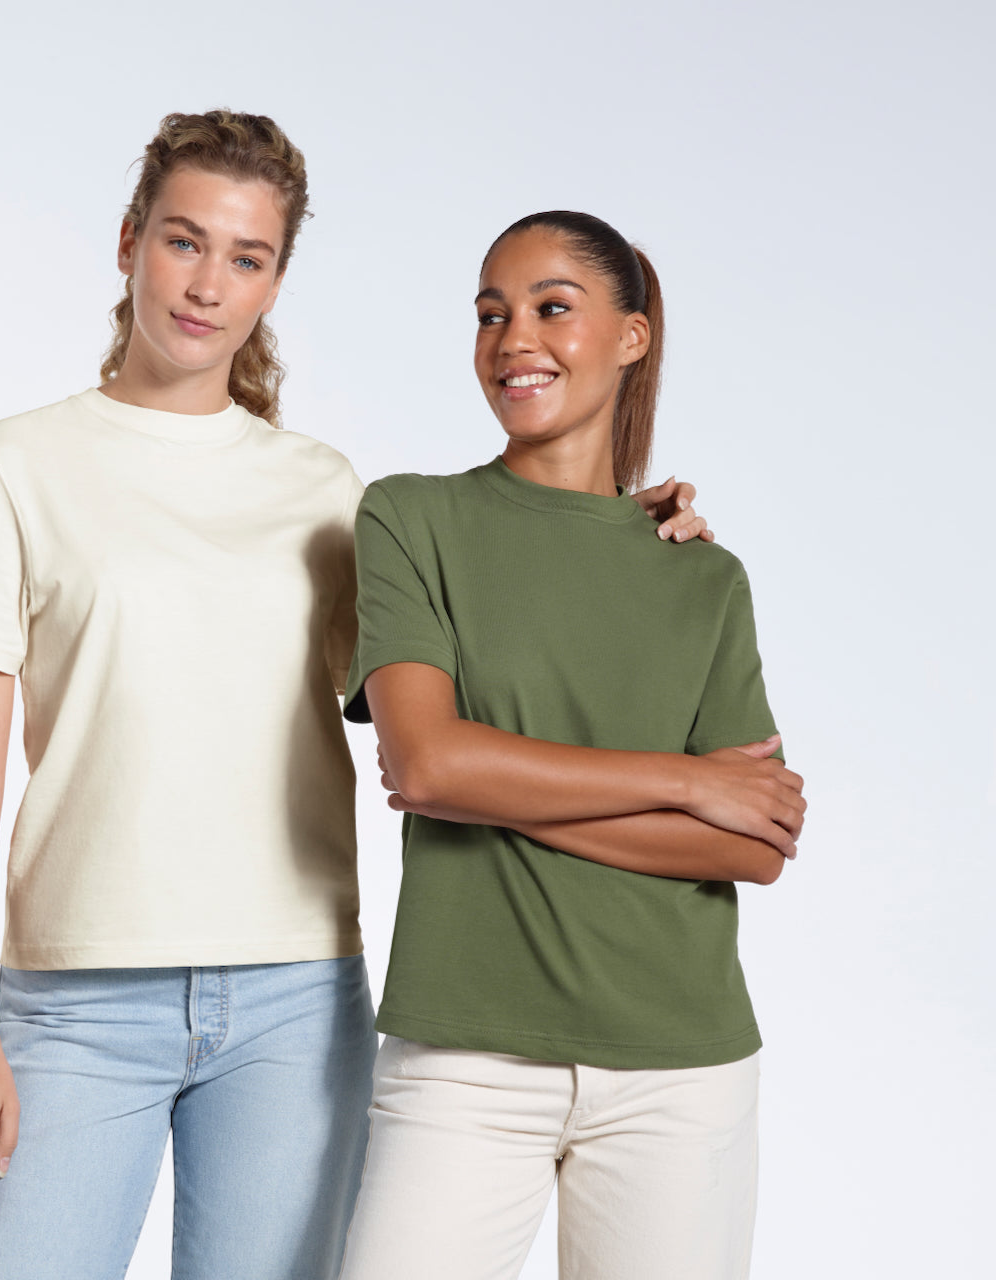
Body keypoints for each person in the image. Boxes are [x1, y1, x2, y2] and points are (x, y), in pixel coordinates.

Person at [0, 110, 713, 1279]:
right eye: (184, 243)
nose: (207, 285)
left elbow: (467, 662)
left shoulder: (325, 492)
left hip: (295, 1002)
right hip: (76, 1002)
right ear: (131, 239)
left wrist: (614, 534)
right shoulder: (15, 463)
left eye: (246, 258)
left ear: (275, 280)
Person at [337, 211, 804, 1280]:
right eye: (490, 315)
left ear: (630, 337)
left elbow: (754, 840)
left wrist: (490, 781)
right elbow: (426, 763)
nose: (513, 340)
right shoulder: (411, 519)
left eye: (552, 308)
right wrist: (685, 784)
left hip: (680, 1067)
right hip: (462, 1054)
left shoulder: (699, 575)